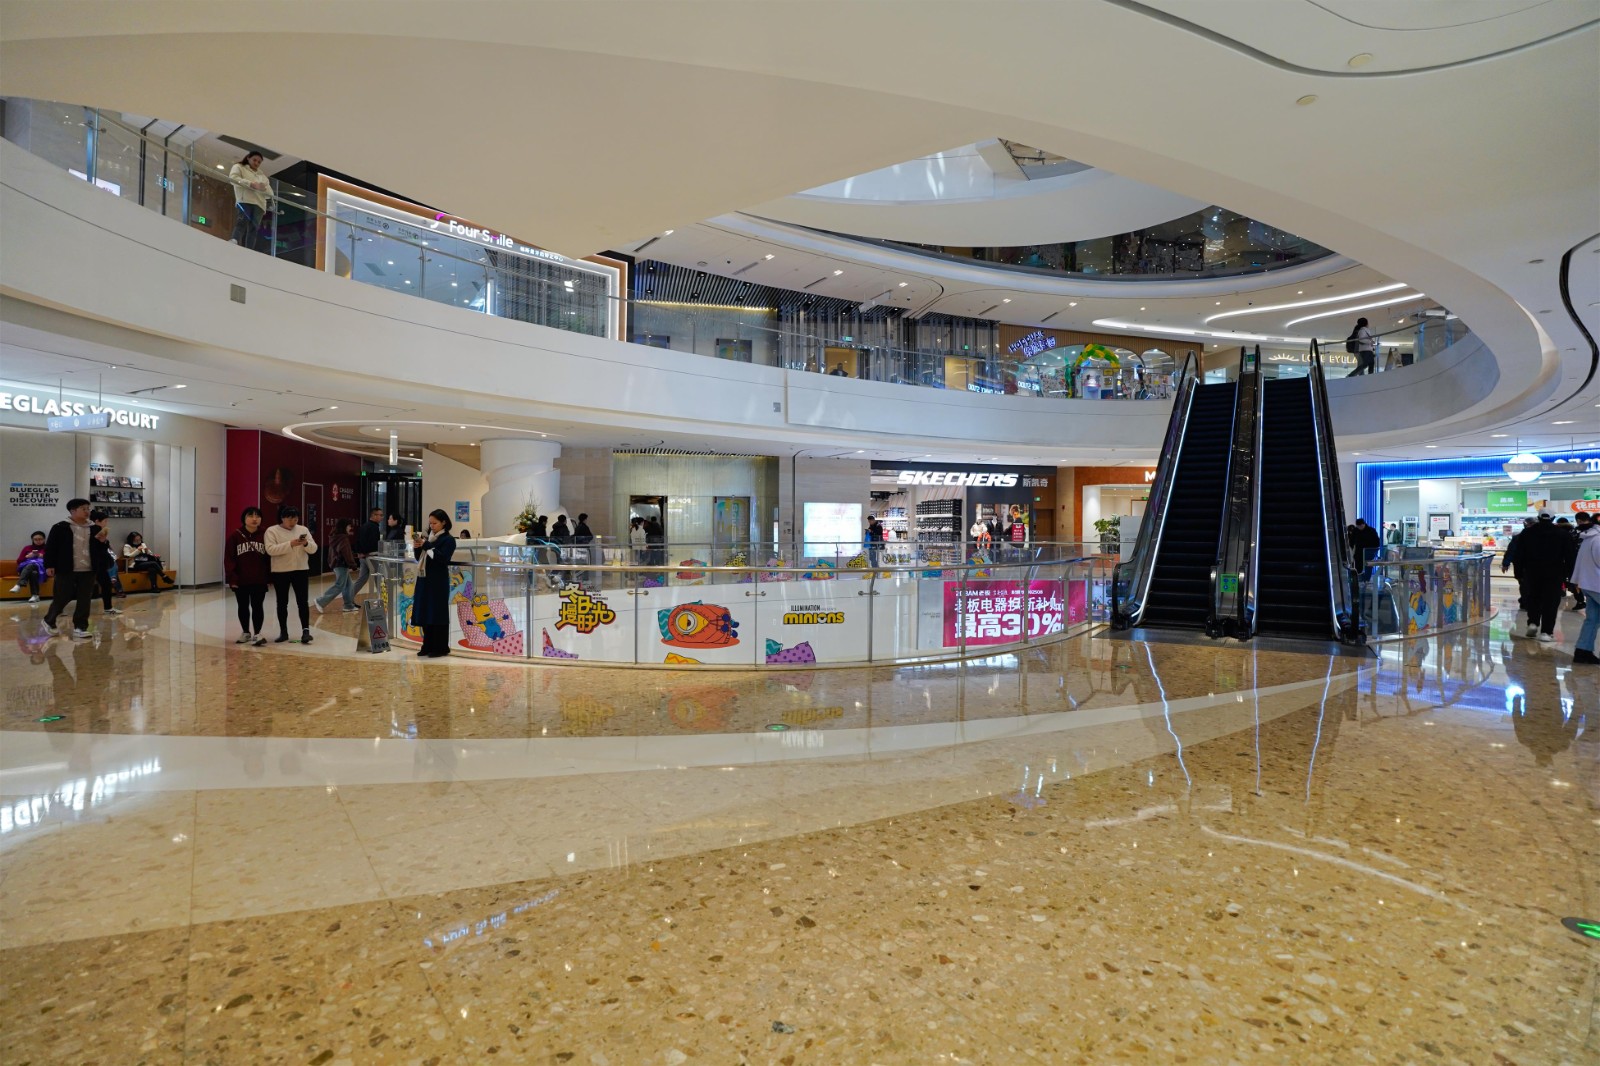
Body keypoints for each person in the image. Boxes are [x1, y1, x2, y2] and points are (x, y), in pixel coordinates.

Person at [1515, 513, 1576, 644]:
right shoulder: (1562, 534)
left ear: (1538, 518)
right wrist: (1571, 575)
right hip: (1555, 573)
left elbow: (1519, 554)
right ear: (1553, 518)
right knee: (1551, 601)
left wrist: (1518, 573)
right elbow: (1570, 556)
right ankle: (1546, 632)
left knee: (1533, 598)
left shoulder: (1527, 533)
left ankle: (1533, 623)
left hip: (1532, 572)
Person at [42, 498, 98, 639]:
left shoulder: (95, 528)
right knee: (62, 597)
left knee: (85, 599)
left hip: (89, 569)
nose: (87, 511)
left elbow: (101, 549)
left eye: (88, 508)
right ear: (73, 511)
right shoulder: (60, 527)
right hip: (66, 568)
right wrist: (49, 565)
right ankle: (49, 620)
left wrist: (103, 542)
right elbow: (51, 548)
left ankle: (80, 627)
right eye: (83, 509)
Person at [264, 506, 318, 644]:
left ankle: (306, 631)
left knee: (303, 602)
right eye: (289, 519)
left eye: (295, 519)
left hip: (301, 570)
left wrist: (306, 543)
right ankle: (283, 632)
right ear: (282, 518)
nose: (293, 522)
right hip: (280, 571)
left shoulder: (303, 530)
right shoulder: (272, 530)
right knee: (282, 602)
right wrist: (290, 544)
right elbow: (270, 550)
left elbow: (314, 549)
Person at [410, 509, 457, 658]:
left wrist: (426, 545)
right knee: (425, 611)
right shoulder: (429, 538)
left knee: (437, 612)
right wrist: (417, 548)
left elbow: (442, 558)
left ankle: (440, 647)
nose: (432, 526)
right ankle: (427, 644)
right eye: (430, 523)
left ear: (443, 522)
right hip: (424, 578)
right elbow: (421, 558)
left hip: (438, 581)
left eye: (435, 523)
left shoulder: (448, 540)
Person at [225, 507, 271, 645]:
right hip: (241, 579)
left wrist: (269, 576)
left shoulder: (266, 535)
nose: (254, 519)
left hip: (259, 578)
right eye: (250, 516)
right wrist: (232, 578)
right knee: (243, 606)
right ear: (244, 519)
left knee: (258, 606)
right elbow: (229, 559)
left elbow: (270, 557)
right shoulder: (235, 536)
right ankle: (245, 632)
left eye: (257, 516)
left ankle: (257, 633)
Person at [227, 150, 272, 252]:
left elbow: (270, 194)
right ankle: (234, 240)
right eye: (254, 160)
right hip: (245, 201)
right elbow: (233, 179)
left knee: (253, 229)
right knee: (241, 222)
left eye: (259, 162)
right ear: (248, 158)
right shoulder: (239, 167)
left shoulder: (263, 176)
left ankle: (250, 250)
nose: (256, 163)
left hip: (260, 205)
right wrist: (251, 184)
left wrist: (263, 188)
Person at [1571, 514, 1600, 665]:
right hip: (1596, 584)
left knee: (1592, 619)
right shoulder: (1598, 539)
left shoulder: (1589, 538)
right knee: (1592, 620)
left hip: (1589, 584)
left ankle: (1583, 652)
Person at [314, 518, 360, 614]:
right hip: (341, 564)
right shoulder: (343, 538)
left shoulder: (335, 537)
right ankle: (321, 601)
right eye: (349, 526)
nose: (350, 528)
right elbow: (346, 553)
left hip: (337, 564)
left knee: (348, 585)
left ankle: (348, 606)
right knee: (339, 585)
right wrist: (353, 565)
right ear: (344, 527)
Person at [348, 506, 385, 600]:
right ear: (374, 515)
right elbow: (372, 543)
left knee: (362, 579)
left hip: (363, 557)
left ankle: (348, 598)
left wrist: (360, 553)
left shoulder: (364, 526)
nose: (382, 517)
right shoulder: (373, 527)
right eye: (380, 515)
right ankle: (383, 600)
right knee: (378, 578)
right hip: (371, 556)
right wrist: (366, 552)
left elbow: (358, 541)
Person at [1501, 517, 1536, 614]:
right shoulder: (1520, 537)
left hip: (1523, 566)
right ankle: (1526, 602)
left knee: (1526, 585)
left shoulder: (1519, 537)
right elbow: (1511, 551)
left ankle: (1525, 602)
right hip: (1525, 566)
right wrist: (1505, 563)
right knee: (1526, 585)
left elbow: (1511, 551)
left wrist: (1506, 563)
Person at [13, 531, 47, 603]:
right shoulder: (27, 548)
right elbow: (19, 561)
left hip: (42, 569)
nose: (38, 541)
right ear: (32, 540)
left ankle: (19, 584)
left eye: (40, 539)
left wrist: (42, 556)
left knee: (33, 566)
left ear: (44, 539)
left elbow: (53, 560)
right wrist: (27, 556)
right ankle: (35, 596)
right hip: (26, 568)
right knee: (33, 572)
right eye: (35, 539)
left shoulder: (48, 548)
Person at [1567, 512, 1591, 612]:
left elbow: (1568, 548)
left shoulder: (1573, 532)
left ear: (1578, 520)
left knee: (1576, 581)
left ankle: (1580, 601)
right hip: (1593, 561)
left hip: (1576, 561)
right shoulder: (1596, 530)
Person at [573, 512, 596, 587]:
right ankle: (585, 580)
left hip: (578, 548)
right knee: (586, 564)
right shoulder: (585, 527)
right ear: (584, 519)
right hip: (584, 548)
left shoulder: (577, 527)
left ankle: (578, 579)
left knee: (579, 564)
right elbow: (590, 536)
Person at [549, 514, 572, 588]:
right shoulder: (564, 528)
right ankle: (564, 581)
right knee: (564, 564)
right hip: (563, 548)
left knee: (560, 563)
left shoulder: (554, 529)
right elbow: (566, 539)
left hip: (556, 548)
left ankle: (553, 576)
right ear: (565, 521)